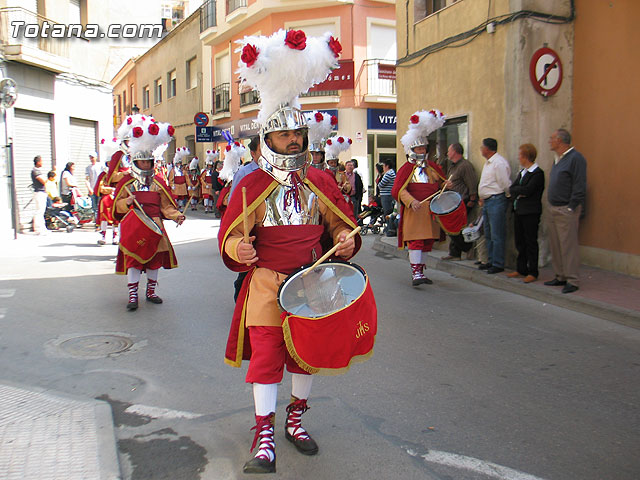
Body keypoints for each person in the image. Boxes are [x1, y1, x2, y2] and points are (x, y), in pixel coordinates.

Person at [221, 29, 370, 474]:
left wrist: (348, 241)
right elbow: (230, 236)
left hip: (313, 284)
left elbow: (344, 228)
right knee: (267, 356)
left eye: (296, 134)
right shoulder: (249, 184)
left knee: (307, 353)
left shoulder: (321, 182)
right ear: (268, 137)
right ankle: (263, 435)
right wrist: (238, 248)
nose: (292, 141)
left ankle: (295, 420)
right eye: (283, 134)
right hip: (266, 283)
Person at [112, 115, 184, 310]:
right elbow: (116, 207)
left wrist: (176, 215)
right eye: (142, 162)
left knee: (154, 261)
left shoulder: (158, 182)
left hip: (155, 228)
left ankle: (151, 291)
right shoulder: (125, 183)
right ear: (136, 162)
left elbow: (165, 206)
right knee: (134, 261)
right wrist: (126, 202)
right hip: (134, 227)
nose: (145, 165)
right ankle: (133, 295)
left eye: (148, 162)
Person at [393, 110, 447, 286]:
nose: (421, 151)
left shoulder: (432, 167)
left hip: (430, 210)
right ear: (412, 150)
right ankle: (415, 272)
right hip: (415, 210)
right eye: (418, 148)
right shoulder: (406, 169)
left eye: (423, 148)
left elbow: (440, 185)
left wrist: (447, 186)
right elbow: (399, 190)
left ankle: (421, 271)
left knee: (427, 242)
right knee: (416, 241)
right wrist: (411, 201)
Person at [544, 128, 587, 294]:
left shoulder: (576, 158)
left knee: (568, 246)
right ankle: (560, 275)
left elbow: (580, 184)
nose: (550, 141)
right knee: (555, 245)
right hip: (553, 208)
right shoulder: (558, 159)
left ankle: (572, 279)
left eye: (552, 138)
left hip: (566, 209)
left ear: (560, 141)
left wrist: (571, 206)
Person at [506, 143, 545, 283]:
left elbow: (528, 190)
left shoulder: (538, 173)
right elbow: (513, 188)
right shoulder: (522, 172)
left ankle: (533, 271)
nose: (518, 158)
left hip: (530, 212)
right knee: (520, 241)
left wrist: (519, 190)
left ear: (526, 157)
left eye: (520, 155)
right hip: (519, 210)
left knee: (530, 242)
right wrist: (519, 191)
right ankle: (521, 268)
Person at [477, 138, 511, 274]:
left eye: (482, 147)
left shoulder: (499, 163)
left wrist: (505, 197)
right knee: (489, 233)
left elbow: (505, 183)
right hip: (488, 201)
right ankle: (490, 260)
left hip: (496, 200)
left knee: (497, 233)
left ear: (488, 149)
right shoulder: (488, 163)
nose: (480, 149)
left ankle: (498, 263)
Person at [442, 143, 478, 261]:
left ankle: (467, 247)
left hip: (463, 200)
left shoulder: (465, 165)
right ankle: (454, 252)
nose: (447, 153)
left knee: (457, 227)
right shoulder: (453, 166)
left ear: (455, 152)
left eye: (449, 150)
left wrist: (472, 199)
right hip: (452, 201)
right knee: (451, 227)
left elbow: (472, 183)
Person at [377, 158, 396, 235]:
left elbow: (380, 185)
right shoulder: (391, 173)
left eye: (384, 166)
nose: (383, 168)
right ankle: (389, 228)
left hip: (387, 195)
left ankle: (390, 229)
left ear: (387, 166)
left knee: (387, 212)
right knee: (388, 212)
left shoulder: (388, 174)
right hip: (387, 195)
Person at [31, 156, 48, 234]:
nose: (42, 163)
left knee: (42, 210)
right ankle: (38, 229)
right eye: (41, 161)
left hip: (42, 192)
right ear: (38, 162)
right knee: (39, 211)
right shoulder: (35, 171)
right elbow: (43, 181)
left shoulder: (39, 171)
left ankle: (42, 228)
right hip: (39, 192)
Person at [85, 152, 102, 222]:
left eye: (93, 157)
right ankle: (96, 220)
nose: (92, 159)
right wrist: (89, 188)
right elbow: (86, 179)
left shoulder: (101, 166)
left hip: (100, 188)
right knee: (94, 206)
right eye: (90, 157)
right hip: (93, 188)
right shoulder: (88, 168)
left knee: (100, 204)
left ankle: (101, 220)